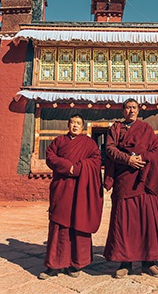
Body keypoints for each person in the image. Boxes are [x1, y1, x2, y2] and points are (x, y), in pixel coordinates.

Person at [103, 98, 158, 278]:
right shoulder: (115, 129)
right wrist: (128, 159)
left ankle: (149, 261)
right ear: (123, 111)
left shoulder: (146, 129)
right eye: (128, 108)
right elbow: (109, 149)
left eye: (134, 108)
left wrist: (141, 157)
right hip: (124, 181)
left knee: (146, 220)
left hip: (144, 180)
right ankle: (125, 262)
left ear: (138, 110)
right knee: (124, 222)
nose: (131, 110)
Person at [38, 114, 103, 280]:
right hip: (62, 188)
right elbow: (50, 156)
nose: (75, 125)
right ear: (68, 125)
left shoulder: (89, 143)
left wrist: (79, 168)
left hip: (81, 189)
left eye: (78, 123)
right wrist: (69, 167)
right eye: (73, 122)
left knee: (78, 222)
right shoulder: (59, 141)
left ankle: (76, 264)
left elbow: (96, 160)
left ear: (82, 127)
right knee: (58, 225)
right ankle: (54, 265)